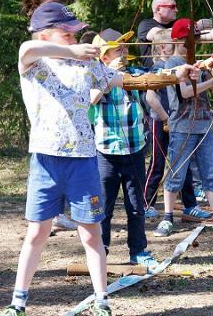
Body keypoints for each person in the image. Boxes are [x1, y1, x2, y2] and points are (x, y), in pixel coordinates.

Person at [0, 0, 201, 316]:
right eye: (65, 34)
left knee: (90, 233)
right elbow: (27, 49)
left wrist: (178, 75)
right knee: (37, 231)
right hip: (45, 160)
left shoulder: (89, 66)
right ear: (44, 35)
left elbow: (134, 81)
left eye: (73, 34)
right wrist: (70, 51)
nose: (72, 38)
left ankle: (101, 300)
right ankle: (18, 302)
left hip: (83, 161)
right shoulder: (34, 61)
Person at [153, 18, 213, 238]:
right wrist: (210, 82)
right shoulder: (172, 63)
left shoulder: (199, 62)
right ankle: (167, 219)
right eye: (188, 41)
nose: (192, 44)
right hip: (182, 127)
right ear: (177, 40)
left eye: (194, 39)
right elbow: (186, 92)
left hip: (204, 126)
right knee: (176, 173)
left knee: (210, 174)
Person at [88, 28, 158, 268]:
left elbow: (160, 75)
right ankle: (101, 250)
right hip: (105, 153)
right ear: (104, 56)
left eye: (125, 48)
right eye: (118, 49)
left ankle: (138, 251)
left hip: (135, 150)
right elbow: (90, 99)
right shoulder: (95, 77)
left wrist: (191, 70)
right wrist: (110, 76)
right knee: (103, 207)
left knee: (136, 205)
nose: (124, 52)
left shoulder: (134, 74)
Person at [143, 29, 211, 222]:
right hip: (160, 122)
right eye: (174, 42)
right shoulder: (158, 69)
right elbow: (151, 98)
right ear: (164, 47)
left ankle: (190, 206)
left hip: (176, 123)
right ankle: (146, 203)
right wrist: (165, 119)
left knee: (183, 163)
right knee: (158, 164)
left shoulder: (180, 66)